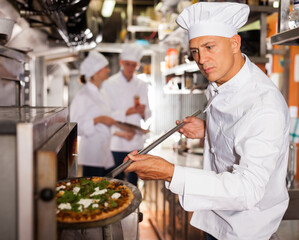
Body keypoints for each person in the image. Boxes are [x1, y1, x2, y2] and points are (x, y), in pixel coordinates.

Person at [125, 2, 290, 240]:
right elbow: (239, 131)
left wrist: (170, 172)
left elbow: (247, 190)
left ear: (235, 43)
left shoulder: (264, 105)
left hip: (246, 231)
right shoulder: (221, 82)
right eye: (195, 51)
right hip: (215, 220)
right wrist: (208, 130)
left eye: (209, 47)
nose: (202, 59)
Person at [102, 43, 151, 186]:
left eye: (133, 65)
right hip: (116, 143)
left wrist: (143, 111)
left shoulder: (142, 85)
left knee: (133, 183)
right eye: (127, 64)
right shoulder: (109, 84)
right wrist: (126, 112)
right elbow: (106, 115)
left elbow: (148, 111)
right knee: (115, 182)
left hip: (135, 141)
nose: (130, 68)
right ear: (121, 63)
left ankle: (133, 209)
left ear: (137, 66)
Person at [70, 50, 117, 177]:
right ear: (95, 73)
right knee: (93, 192)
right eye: (105, 67)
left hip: (104, 152)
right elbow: (74, 127)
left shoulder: (102, 93)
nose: (108, 70)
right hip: (91, 155)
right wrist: (98, 120)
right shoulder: (82, 96)